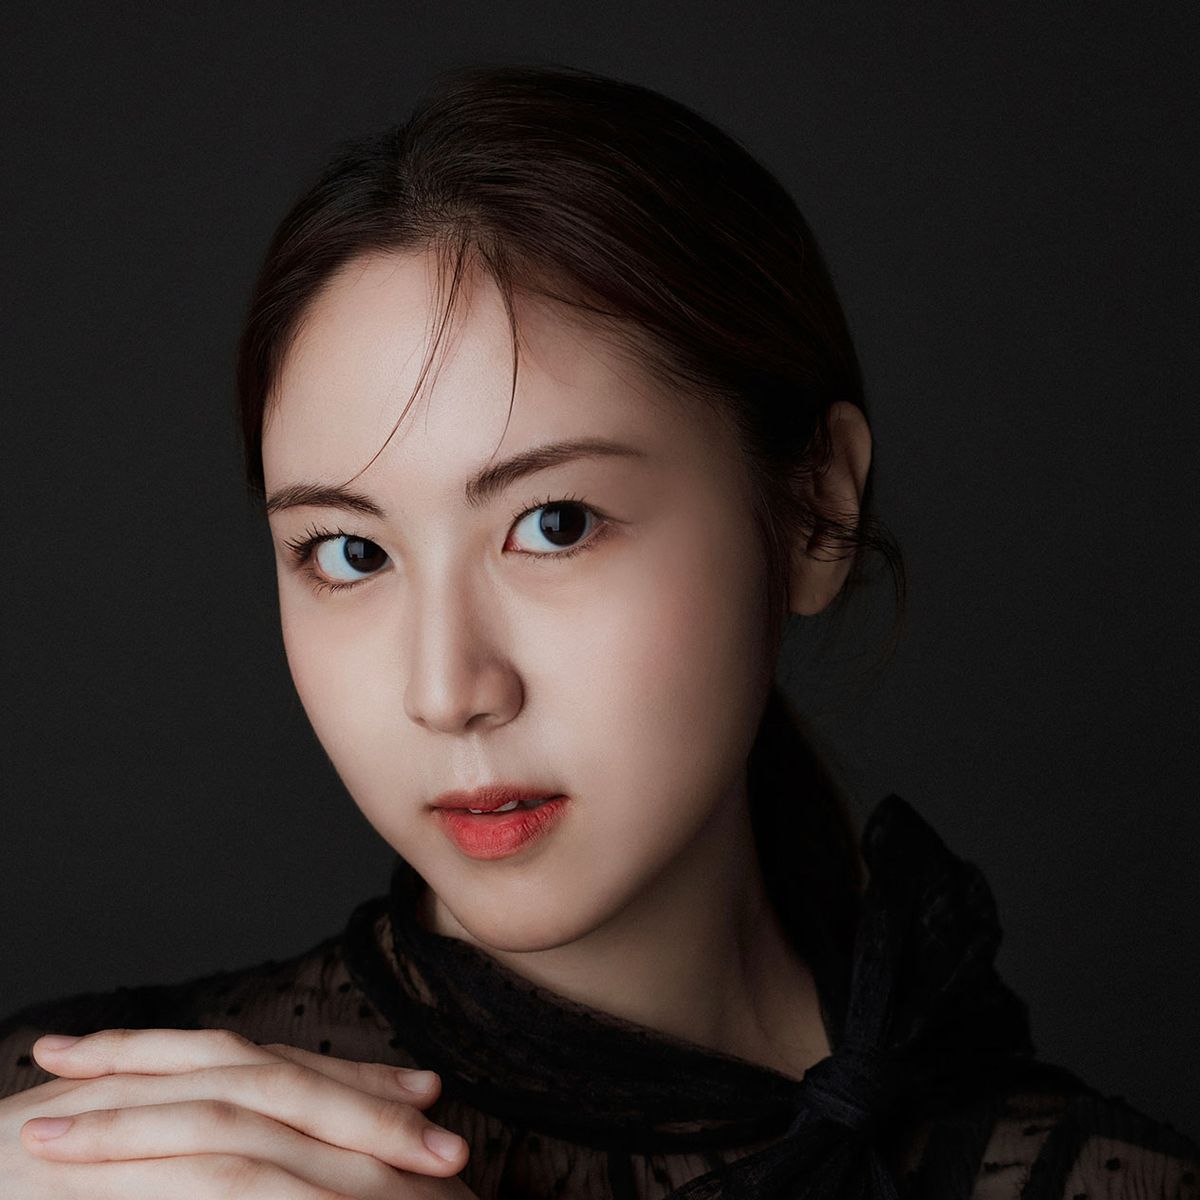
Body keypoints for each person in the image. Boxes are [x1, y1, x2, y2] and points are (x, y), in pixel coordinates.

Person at [0, 62, 1195, 1200]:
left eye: (555, 524)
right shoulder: (73, 1149)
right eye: (350, 553)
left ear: (816, 512)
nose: (447, 689)